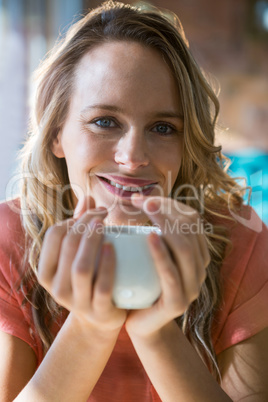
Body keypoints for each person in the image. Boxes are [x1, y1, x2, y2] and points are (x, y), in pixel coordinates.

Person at [0, 1, 267, 401]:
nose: (132, 156)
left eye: (163, 127)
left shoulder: (241, 243)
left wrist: (155, 332)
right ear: (57, 132)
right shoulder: (9, 240)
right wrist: (90, 329)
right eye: (105, 122)